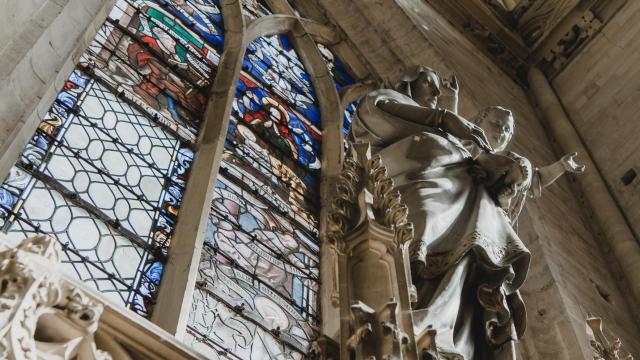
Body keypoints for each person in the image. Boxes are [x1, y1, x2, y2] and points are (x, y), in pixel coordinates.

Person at [351, 66, 583, 359]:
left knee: (470, 268)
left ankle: (440, 329)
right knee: (421, 227)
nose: (503, 131)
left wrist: (558, 167)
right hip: (434, 193)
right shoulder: (442, 132)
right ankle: (408, 307)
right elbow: (382, 115)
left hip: (479, 219)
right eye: (498, 123)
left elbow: (532, 181)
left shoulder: (489, 158)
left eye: (507, 129)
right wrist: (448, 112)